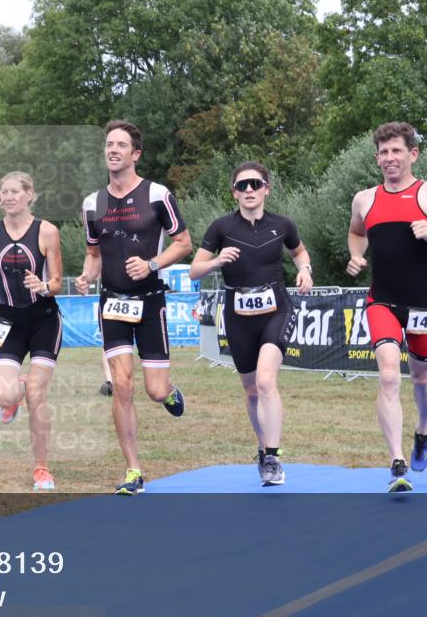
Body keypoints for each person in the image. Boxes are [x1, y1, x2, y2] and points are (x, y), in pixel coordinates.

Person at [346, 121, 427, 492]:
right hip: (381, 299)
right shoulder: (364, 198)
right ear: (377, 158)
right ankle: (396, 461)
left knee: (421, 379)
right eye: (384, 152)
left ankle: (423, 428)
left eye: (397, 151)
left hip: (424, 303)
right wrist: (357, 256)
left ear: (412, 154)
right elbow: (356, 232)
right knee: (388, 375)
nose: (390, 158)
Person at [75, 120, 193, 495]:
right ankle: (133, 471)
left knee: (154, 390)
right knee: (122, 386)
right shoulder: (92, 203)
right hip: (111, 303)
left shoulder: (157, 195)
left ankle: (171, 392)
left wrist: (152, 264)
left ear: (135, 153)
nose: (113, 150)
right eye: (109, 144)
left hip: (149, 301)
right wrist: (85, 276)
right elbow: (93, 254)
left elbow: (184, 243)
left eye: (121, 145)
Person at [189, 161, 313, 486]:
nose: (248, 190)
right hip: (237, 314)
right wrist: (216, 260)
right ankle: (262, 450)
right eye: (242, 186)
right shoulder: (220, 228)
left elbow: (300, 253)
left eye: (255, 184)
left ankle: (272, 456)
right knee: (250, 389)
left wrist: (305, 270)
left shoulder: (282, 224)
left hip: (277, 309)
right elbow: (194, 270)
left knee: (267, 381)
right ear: (234, 192)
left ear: (266, 189)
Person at [0, 171, 64, 491]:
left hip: (44, 320)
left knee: (38, 395)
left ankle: (41, 469)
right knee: (4, 395)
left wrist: (42, 286)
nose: (8, 197)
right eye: (4, 193)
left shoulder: (47, 232)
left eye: (15, 192)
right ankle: (16, 392)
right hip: (7, 322)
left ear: (30, 195)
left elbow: (56, 282)